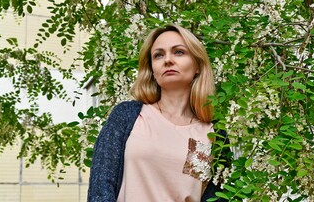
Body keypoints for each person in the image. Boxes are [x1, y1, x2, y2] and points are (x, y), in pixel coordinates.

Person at [87, 24, 223, 202]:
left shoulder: (214, 134)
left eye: (179, 52)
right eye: (158, 55)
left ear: (197, 66)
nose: (167, 60)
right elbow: (101, 188)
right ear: (152, 69)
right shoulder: (127, 116)